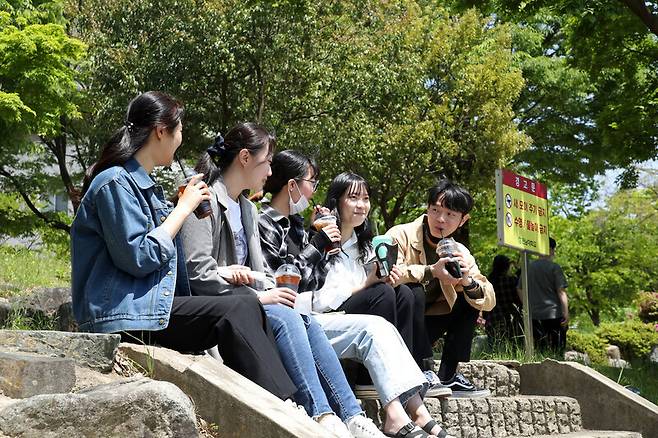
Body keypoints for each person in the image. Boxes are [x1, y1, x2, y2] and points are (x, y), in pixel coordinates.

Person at [71, 92, 296, 401]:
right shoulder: (114, 182)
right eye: (178, 130)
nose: (181, 138)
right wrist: (182, 210)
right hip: (119, 313)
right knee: (236, 309)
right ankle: (281, 404)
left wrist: (220, 269)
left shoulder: (147, 189)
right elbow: (138, 257)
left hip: (144, 308)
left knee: (245, 303)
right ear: (161, 131)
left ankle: (282, 402)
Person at [179, 125, 382, 438]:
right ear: (245, 158)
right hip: (222, 307)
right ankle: (320, 414)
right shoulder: (203, 199)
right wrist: (260, 297)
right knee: (287, 314)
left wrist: (270, 290)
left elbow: (263, 273)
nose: (270, 171)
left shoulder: (246, 208)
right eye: (267, 161)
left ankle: (352, 416)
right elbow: (196, 271)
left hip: (250, 300)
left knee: (304, 319)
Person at [259, 150, 454, 438]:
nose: (361, 205)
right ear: (292, 185)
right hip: (305, 318)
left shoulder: (307, 229)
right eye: (312, 182)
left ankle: (412, 409)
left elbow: (308, 282)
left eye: (365, 199)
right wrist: (323, 247)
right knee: (380, 301)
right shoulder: (282, 225)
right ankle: (391, 408)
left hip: (310, 317)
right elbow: (303, 290)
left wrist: (379, 274)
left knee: (405, 294)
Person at [386, 180, 495, 398]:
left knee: (471, 298)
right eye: (435, 210)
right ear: (427, 209)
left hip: (428, 325)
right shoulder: (400, 234)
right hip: (399, 322)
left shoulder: (460, 251)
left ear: (463, 220)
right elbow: (388, 276)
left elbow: (489, 299)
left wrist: (466, 282)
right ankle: (423, 369)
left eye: (450, 214)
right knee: (412, 290)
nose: (441, 219)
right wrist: (431, 271)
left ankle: (447, 376)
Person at [520, 237, 569, 353]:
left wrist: (527, 306)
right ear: (551, 250)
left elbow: (520, 289)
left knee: (540, 349)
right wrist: (566, 312)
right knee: (557, 349)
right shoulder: (554, 267)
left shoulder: (528, 268)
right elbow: (561, 291)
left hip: (534, 314)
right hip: (554, 314)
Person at [483, 255, 523, 346]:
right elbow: (519, 298)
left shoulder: (488, 282)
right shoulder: (511, 281)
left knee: (495, 350)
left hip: (492, 320)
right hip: (509, 321)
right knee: (511, 349)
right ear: (507, 267)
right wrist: (519, 269)